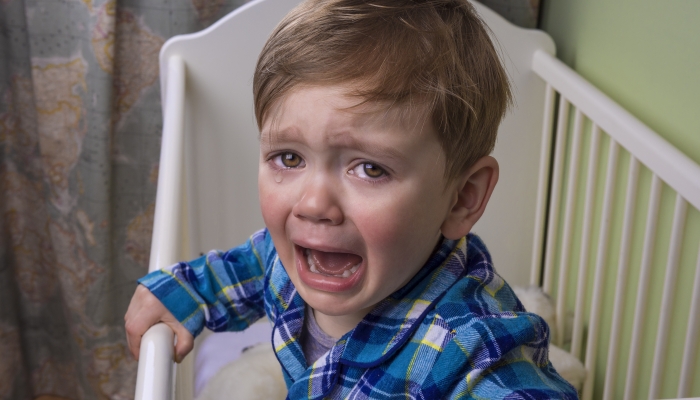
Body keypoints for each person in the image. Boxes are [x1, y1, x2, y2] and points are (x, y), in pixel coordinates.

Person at [125, 0, 578, 398]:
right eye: (288, 157)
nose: (314, 204)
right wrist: (181, 291)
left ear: (462, 198)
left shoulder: (469, 351)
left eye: (370, 168)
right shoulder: (287, 260)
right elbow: (241, 269)